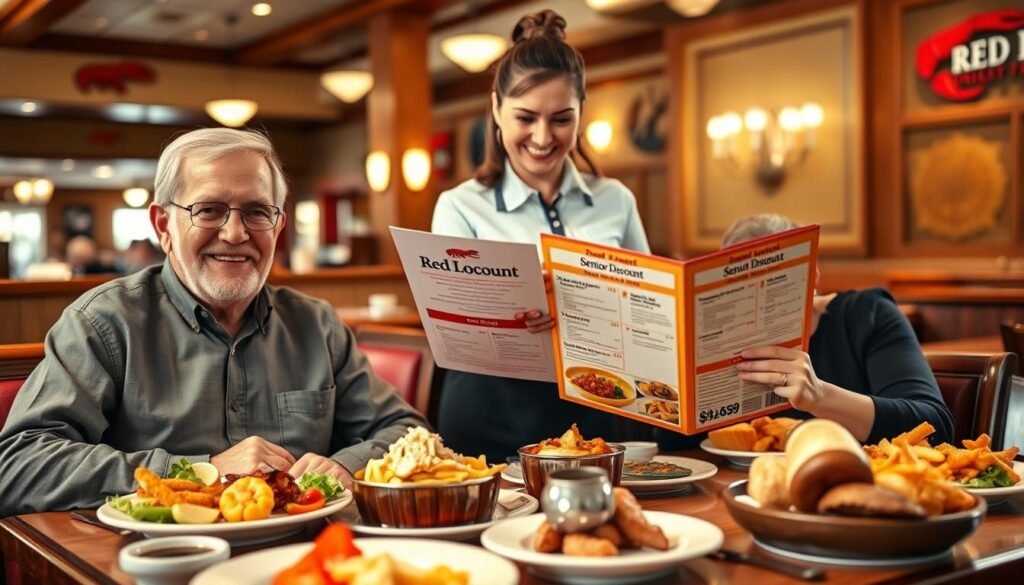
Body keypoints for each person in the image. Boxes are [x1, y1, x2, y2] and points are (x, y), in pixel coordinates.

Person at [0, 128, 428, 516]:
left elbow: (407, 431)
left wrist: (346, 466)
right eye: (208, 210)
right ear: (163, 225)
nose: (235, 233)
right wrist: (200, 473)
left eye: (257, 212)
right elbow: (19, 465)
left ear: (278, 225)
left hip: (302, 554)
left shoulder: (317, 325)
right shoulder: (104, 324)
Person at [430, 9, 651, 461]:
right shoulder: (459, 206)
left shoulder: (617, 200)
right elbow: (456, 337)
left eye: (561, 119)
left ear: (582, 111)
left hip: (597, 413)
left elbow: (647, 317)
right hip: (487, 420)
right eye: (526, 118)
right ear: (496, 108)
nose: (543, 137)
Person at [659, 213, 954, 449]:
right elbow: (670, 444)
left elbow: (936, 427)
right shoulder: (710, 347)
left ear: (812, 277)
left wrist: (820, 397)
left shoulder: (866, 314)